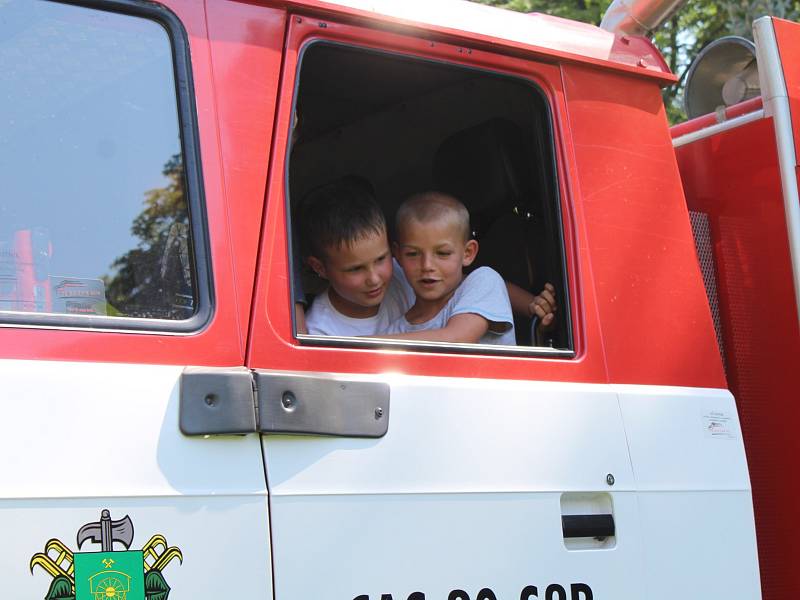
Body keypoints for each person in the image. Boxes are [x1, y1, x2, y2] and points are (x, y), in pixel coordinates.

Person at [382, 192, 517, 344]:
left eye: (442, 253)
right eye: (413, 254)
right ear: (398, 255)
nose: (427, 266)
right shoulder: (395, 331)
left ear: (468, 253)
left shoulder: (484, 281)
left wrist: (356, 343)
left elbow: (455, 340)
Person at [300, 177, 414, 336]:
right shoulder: (321, 331)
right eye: (355, 269)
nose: (374, 279)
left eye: (381, 259)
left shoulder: (407, 275)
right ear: (320, 268)